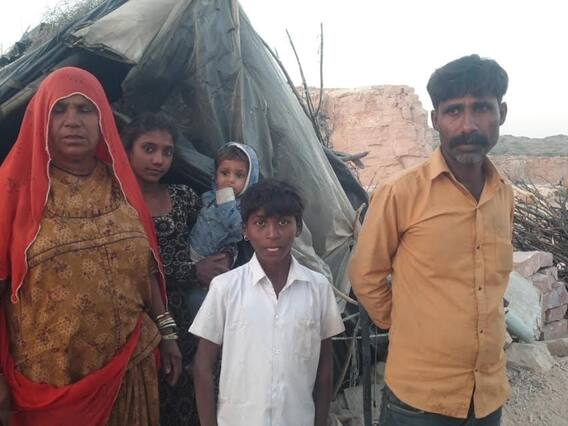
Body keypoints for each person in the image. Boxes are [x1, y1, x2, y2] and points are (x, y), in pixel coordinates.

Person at [0, 67, 182, 426]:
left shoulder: (121, 185)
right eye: (59, 110)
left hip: (130, 370)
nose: (73, 121)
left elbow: (145, 264)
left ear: (102, 120)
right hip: (54, 384)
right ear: (41, 117)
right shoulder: (13, 190)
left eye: (85, 109)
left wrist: (167, 331)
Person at [349, 54, 513, 426]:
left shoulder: (503, 194)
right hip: (418, 402)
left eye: (481, 108)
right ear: (435, 119)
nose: (468, 125)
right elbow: (365, 275)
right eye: (454, 111)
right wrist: (406, 326)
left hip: (487, 397)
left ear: (501, 113)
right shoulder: (401, 193)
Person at [190, 179, 345, 426]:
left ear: (298, 227)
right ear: (245, 230)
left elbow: (324, 370)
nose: (272, 234)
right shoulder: (225, 288)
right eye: (260, 223)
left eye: (283, 222)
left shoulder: (318, 288)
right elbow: (203, 366)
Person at [123, 112, 233, 426]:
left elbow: (213, 235)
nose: (158, 159)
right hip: (138, 321)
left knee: (192, 395)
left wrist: (224, 257)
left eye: (167, 152)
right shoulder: (114, 205)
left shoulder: (183, 197)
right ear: (127, 150)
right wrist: (191, 271)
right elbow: (132, 266)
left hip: (191, 317)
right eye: (148, 149)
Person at [189, 142, 259, 263]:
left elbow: (237, 228)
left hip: (218, 260)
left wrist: (226, 200)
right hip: (193, 252)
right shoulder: (210, 196)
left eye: (239, 175)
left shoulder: (245, 207)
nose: (230, 180)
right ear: (215, 175)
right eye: (225, 173)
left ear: (249, 180)